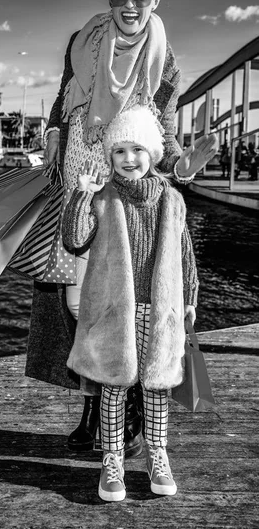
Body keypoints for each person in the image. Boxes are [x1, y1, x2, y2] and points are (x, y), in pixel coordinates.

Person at [25, 0, 216, 455]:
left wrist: (181, 163)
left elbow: (166, 130)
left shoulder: (165, 61)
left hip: (131, 194)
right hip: (81, 185)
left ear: (157, 0)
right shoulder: (81, 41)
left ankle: (127, 410)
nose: (129, 5)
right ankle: (93, 407)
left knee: (130, 305)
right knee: (78, 306)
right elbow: (64, 103)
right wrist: (51, 142)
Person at [62, 106, 198, 501]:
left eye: (137, 149)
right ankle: (113, 460)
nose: (128, 159)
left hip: (161, 310)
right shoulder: (102, 197)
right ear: (110, 156)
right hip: (113, 309)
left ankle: (158, 454)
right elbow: (74, 239)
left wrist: (189, 297)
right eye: (119, 150)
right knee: (114, 386)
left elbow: (185, 253)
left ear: (153, 153)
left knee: (157, 387)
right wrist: (81, 194)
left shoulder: (171, 199)